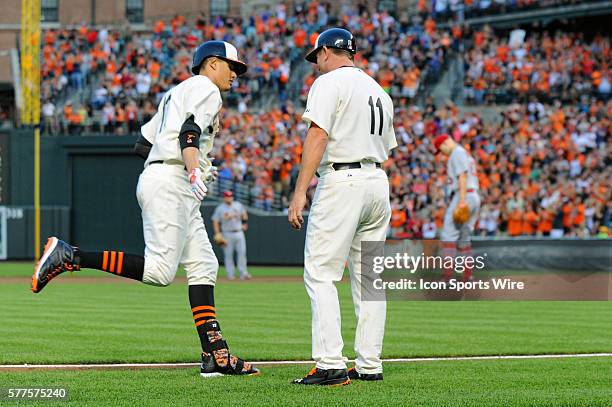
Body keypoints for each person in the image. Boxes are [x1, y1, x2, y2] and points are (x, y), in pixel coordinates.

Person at [31, 40, 259, 378]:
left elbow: (143, 143)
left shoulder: (175, 93)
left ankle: (214, 353)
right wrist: (192, 168)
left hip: (166, 176)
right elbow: (190, 134)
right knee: (160, 272)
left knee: (204, 265)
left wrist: (169, 166)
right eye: (232, 67)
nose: (235, 75)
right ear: (212, 63)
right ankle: (71, 256)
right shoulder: (206, 89)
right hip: (173, 180)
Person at [288, 28, 397, 386]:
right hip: (377, 181)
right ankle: (369, 364)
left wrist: (300, 190)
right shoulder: (379, 91)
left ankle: (330, 363)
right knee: (370, 281)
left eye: (317, 56)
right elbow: (387, 147)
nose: (316, 64)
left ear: (325, 53)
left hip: (342, 180)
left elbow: (318, 135)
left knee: (321, 273)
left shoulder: (329, 82)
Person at [434, 134, 481, 281]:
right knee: (464, 238)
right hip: (473, 195)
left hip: (464, 195)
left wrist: (461, 200)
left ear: (444, 144)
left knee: (448, 234)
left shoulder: (457, 153)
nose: (442, 153)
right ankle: (467, 276)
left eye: (440, 150)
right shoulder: (464, 153)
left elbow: (462, 176)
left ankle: (447, 277)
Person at [212, 191, 251, 280]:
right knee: (228, 255)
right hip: (227, 233)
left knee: (242, 253)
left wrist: (244, 223)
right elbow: (215, 221)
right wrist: (217, 233)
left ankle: (243, 273)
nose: (229, 198)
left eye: (230, 196)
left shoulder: (238, 205)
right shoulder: (220, 208)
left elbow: (244, 215)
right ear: (224, 198)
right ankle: (230, 274)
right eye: (227, 196)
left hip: (239, 232)